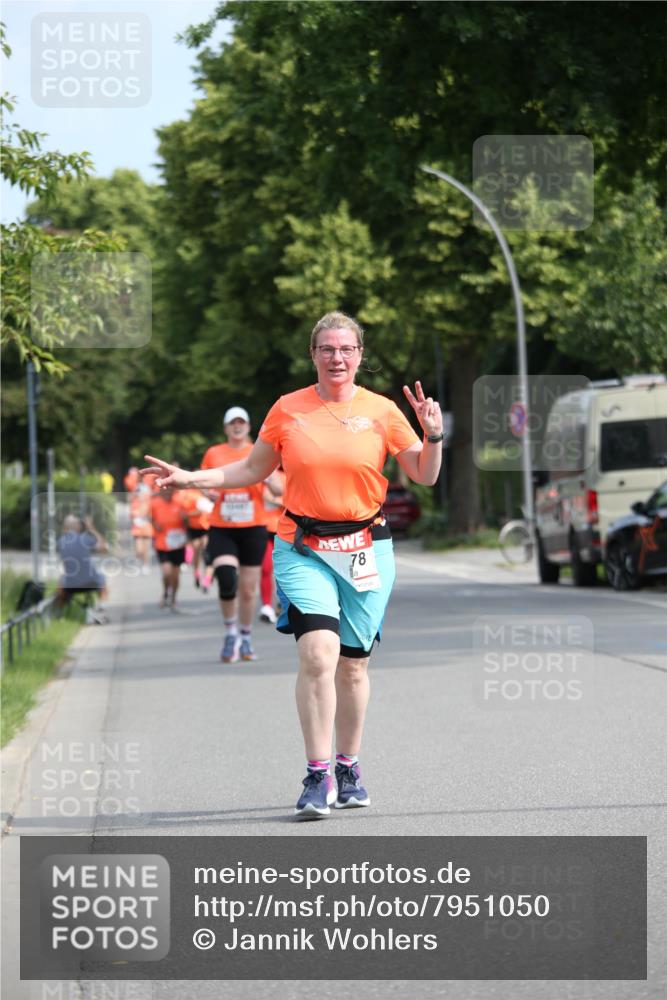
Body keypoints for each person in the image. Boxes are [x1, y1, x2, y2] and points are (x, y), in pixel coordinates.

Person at [142, 311, 442, 818]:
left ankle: (348, 765)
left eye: (346, 349)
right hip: (303, 548)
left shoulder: (383, 411)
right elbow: (252, 469)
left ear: (360, 356)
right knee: (319, 655)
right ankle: (317, 774)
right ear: (313, 355)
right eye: (327, 349)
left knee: (353, 666)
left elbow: (426, 476)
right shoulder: (288, 409)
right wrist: (191, 477)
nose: (337, 357)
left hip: (367, 549)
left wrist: (432, 436)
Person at [199, 407, 273, 663]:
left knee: (249, 590)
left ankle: (246, 636)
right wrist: (208, 492)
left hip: (253, 526)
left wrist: (271, 475)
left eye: (242, 422)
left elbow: (276, 485)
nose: (237, 427)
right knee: (227, 579)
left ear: (249, 426)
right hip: (223, 527)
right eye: (233, 423)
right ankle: (231, 632)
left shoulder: (259, 450)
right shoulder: (214, 453)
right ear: (226, 428)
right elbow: (203, 483)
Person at [57, 514, 110, 624]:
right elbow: (104, 547)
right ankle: (101, 613)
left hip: (70, 586)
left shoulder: (60, 541)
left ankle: (59, 614)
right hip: (91, 582)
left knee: (61, 581)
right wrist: (91, 528)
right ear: (77, 526)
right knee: (103, 583)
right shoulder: (84, 539)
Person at [150, 485, 188, 609]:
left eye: (169, 491)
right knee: (167, 572)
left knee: (175, 575)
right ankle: (166, 592)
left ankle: (174, 598)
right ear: (160, 492)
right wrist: (155, 525)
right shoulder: (155, 504)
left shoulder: (180, 502)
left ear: (173, 492)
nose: (167, 493)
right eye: (164, 491)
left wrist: (185, 519)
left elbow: (187, 522)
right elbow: (151, 518)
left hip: (178, 544)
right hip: (162, 543)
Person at [259, 466, 286, 624]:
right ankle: (267, 606)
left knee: (282, 571)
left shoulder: (285, 476)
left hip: (284, 531)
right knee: (266, 568)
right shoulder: (258, 475)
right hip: (263, 529)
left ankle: (283, 603)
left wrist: (277, 500)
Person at [178, 487, 212, 589]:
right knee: (201, 552)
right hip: (198, 527)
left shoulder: (189, 494)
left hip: (204, 527)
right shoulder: (192, 495)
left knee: (203, 552)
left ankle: (204, 577)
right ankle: (200, 575)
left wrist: (187, 516)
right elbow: (199, 510)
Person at [129, 480, 154, 574]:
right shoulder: (134, 503)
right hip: (137, 528)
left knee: (146, 548)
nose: (141, 495)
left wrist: (148, 517)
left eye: (143, 493)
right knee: (139, 549)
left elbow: (153, 516)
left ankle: (146, 565)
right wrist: (135, 519)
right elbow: (131, 516)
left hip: (147, 527)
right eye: (139, 493)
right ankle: (139, 560)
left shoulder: (150, 503)